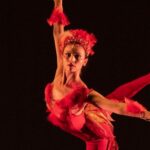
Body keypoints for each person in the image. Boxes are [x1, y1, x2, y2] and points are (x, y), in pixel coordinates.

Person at [44, 0, 150, 149]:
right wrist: (58, 4)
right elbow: (58, 33)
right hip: (86, 116)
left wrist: (144, 114)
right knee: (111, 100)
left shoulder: (83, 92)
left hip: (94, 136)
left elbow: (117, 107)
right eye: (68, 55)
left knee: (113, 101)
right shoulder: (61, 68)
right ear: (62, 55)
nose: (71, 60)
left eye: (77, 57)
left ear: (84, 61)